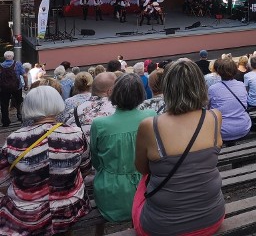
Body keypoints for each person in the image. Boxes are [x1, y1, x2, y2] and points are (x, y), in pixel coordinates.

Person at [133, 59, 225, 236]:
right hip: (212, 218)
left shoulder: (150, 126)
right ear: (200, 85)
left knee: (141, 188)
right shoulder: (215, 117)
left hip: (162, 228)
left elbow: (142, 169)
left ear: (167, 88)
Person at [0, 86, 91, 235]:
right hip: (69, 209)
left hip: (27, 214)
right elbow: (86, 168)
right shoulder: (76, 134)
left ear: (28, 106)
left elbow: (3, 181)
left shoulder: (14, 140)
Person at [91, 73, 156, 226]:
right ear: (141, 93)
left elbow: (96, 162)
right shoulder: (151, 116)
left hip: (111, 194)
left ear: (114, 93)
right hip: (146, 190)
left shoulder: (99, 124)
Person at [208, 58, 251, 144]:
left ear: (218, 72)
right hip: (244, 126)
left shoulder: (213, 89)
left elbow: (208, 109)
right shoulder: (241, 85)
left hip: (223, 131)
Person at [1, 50, 26, 126]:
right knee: (19, 102)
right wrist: (26, 85)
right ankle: (20, 116)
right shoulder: (17, 64)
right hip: (16, 87)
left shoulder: (1, 65)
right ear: (12, 56)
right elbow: (25, 75)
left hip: (3, 88)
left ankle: (5, 121)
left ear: (5, 57)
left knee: (4, 104)